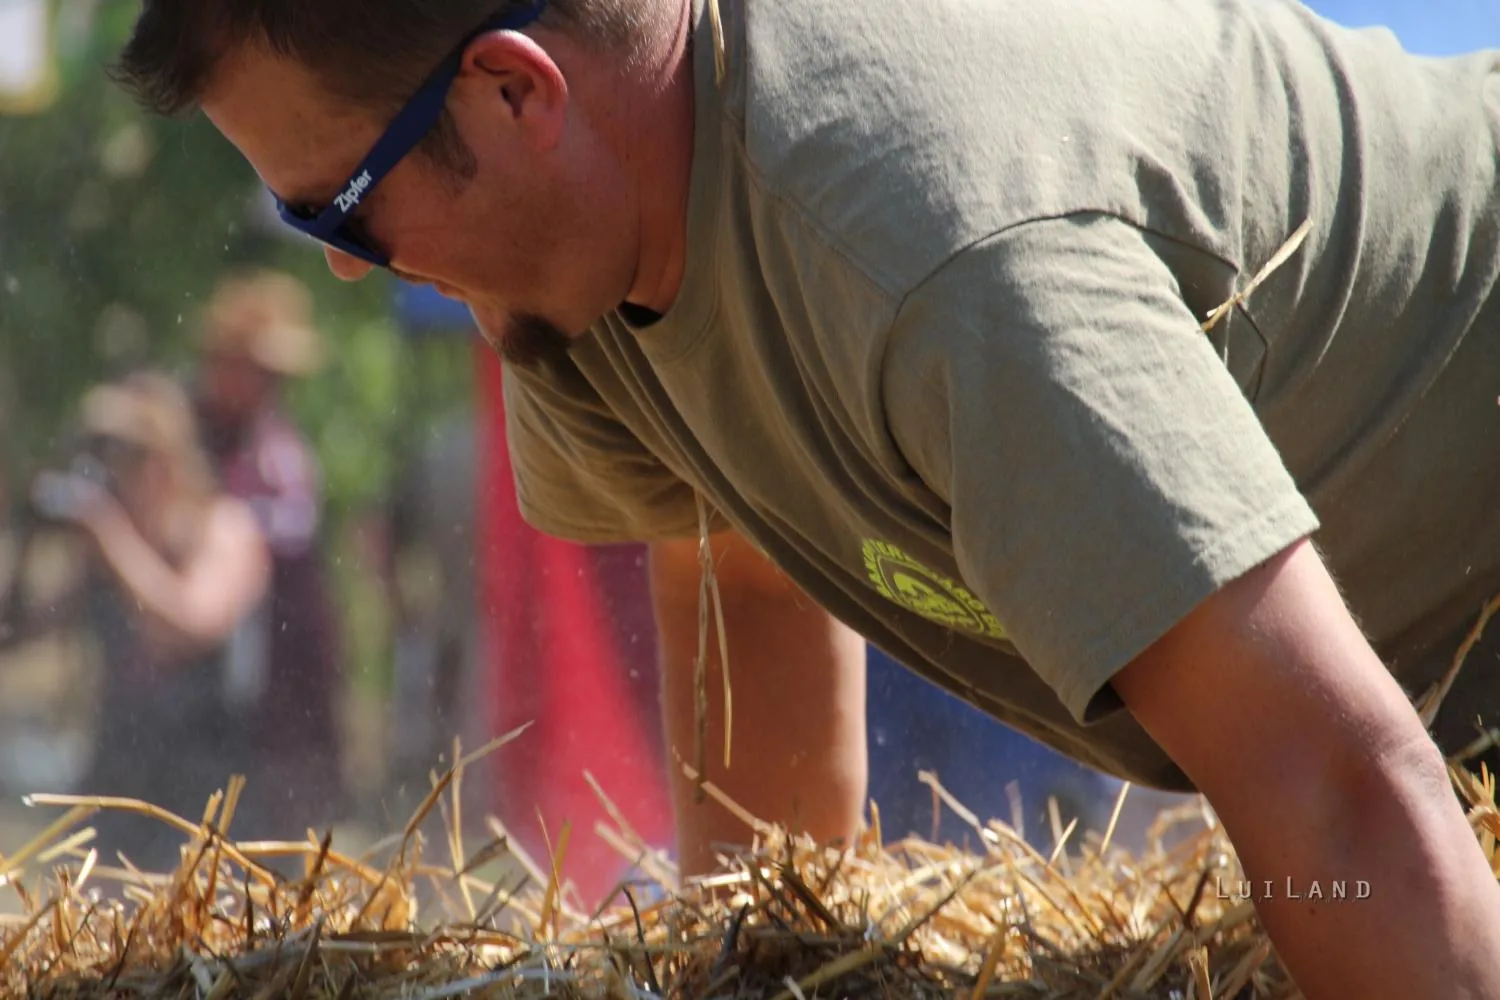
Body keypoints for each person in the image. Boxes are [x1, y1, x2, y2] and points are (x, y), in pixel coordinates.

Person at [111, 0, 1500, 993]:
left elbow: (1338, 797)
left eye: (336, 207)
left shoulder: (937, 258)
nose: (346, 267)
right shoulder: (562, 258)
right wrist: (772, 966)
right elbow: (744, 585)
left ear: (516, 92)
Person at [29, 372, 270, 870]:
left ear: (167, 459)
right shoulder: (109, 547)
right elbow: (31, 630)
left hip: (204, 790)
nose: (115, 474)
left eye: (128, 456)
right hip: (118, 775)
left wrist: (110, 536)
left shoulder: (225, 528)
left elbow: (186, 626)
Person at [191, 269, 348, 838]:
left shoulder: (276, 443)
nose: (264, 384)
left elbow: (291, 536)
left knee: (285, 796)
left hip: (284, 642)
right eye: (254, 369)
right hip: (205, 656)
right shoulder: (188, 435)